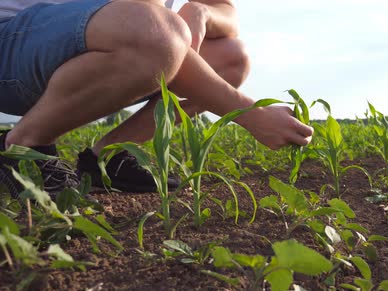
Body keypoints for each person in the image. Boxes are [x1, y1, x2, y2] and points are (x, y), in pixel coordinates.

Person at [0, 0, 314, 197]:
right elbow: (151, 32)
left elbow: (226, 11)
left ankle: (107, 159)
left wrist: (202, 11)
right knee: (156, 29)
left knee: (230, 58)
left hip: (103, 52)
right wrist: (250, 114)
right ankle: (24, 144)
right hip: (12, 48)